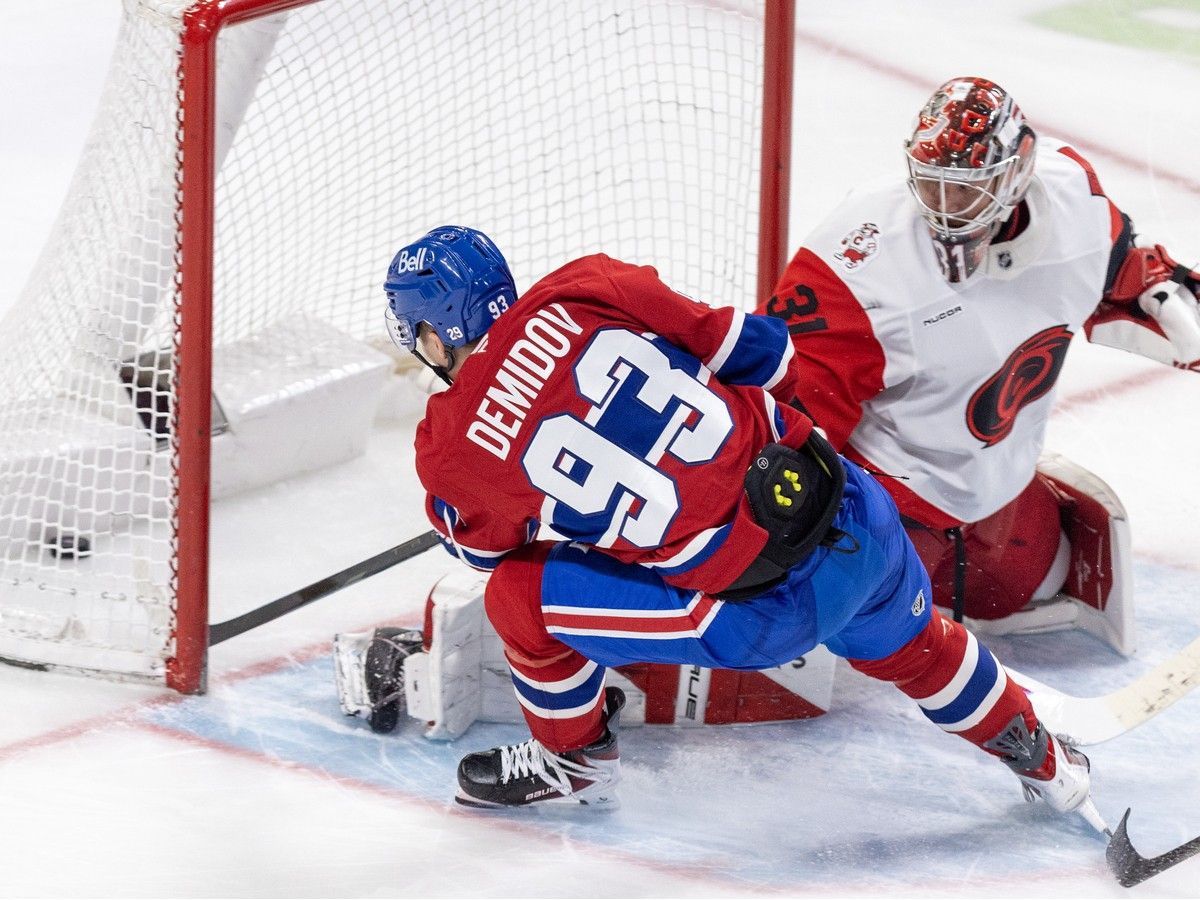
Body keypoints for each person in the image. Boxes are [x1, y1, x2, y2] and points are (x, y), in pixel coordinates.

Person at [367, 224, 1093, 817]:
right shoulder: (586, 285)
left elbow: (492, 557)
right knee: (918, 649)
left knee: (517, 601)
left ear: (433, 337)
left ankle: (576, 762)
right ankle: (1048, 762)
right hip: (857, 511)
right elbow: (770, 356)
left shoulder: (447, 448)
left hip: (759, 613)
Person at [757, 76, 1200, 634]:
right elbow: (788, 404)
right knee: (835, 619)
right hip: (884, 505)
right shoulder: (859, 257)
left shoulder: (1076, 202)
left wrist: (1153, 290)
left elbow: (1112, 278)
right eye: (933, 184)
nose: (944, 207)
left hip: (996, 493)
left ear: (1017, 172)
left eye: (965, 188)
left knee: (1034, 582)